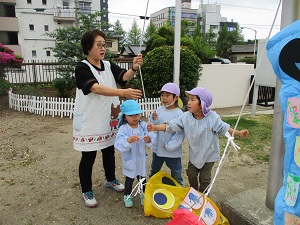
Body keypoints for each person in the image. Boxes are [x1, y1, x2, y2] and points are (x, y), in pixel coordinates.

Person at [73, 29, 143, 208]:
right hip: (90, 119)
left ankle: (110, 179)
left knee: (108, 150)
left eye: (104, 45)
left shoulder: (108, 65)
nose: (103, 48)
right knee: (88, 155)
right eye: (99, 45)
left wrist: (134, 67)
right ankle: (86, 190)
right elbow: (96, 88)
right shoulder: (82, 68)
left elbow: (124, 77)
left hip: (108, 116)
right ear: (88, 47)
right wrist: (123, 93)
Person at [147, 87, 249, 193]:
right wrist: (156, 127)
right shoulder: (186, 117)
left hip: (209, 154)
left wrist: (239, 133)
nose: (189, 102)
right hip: (195, 154)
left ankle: (204, 196)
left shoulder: (212, 117)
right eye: (189, 99)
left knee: (204, 178)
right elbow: (172, 125)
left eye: (193, 99)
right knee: (191, 175)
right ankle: (194, 193)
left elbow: (224, 128)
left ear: (202, 104)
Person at [114, 100, 156, 208]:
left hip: (141, 158)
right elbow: (118, 143)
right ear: (125, 117)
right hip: (130, 159)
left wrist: (148, 140)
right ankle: (127, 196)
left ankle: (143, 195)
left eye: (136, 114)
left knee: (142, 178)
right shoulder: (123, 129)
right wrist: (128, 140)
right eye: (131, 115)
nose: (135, 117)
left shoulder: (143, 125)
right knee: (129, 179)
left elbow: (152, 136)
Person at [149, 83, 184, 185]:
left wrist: (170, 146)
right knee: (154, 171)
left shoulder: (180, 114)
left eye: (167, 95)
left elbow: (180, 134)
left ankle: (178, 189)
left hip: (173, 152)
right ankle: (151, 186)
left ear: (176, 97)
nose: (164, 98)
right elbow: (154, 125)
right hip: (158, 149)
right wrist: (153, 118)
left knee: (176, 174)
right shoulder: (159, 110)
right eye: (162, 95)